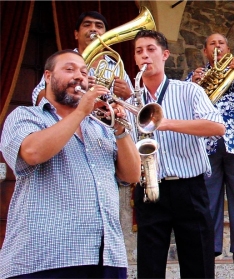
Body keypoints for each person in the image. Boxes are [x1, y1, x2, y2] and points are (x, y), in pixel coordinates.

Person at [0, 49, 141, 278]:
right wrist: (82, 111)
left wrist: (120, 129)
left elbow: (132, 175)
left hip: (107, 257)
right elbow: (32, 152)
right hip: (46, 259)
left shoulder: (101, 127)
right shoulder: (28, 116)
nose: (79, 76)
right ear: (47, 76)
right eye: (69, 69)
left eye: (84, 72)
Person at [129, 30, 225, 278]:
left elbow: (217, 127)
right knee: (149, 267)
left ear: (165, 55)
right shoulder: (130, 99)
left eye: (151, 49)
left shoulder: (189, 91)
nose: (145, 56)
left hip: (189, 188)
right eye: (139, 52)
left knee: (199, 266)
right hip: (149, 188)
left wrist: (164, 123)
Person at [185, 33, 234, 265]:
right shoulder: (195, 76)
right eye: (212, 44)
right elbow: (185, 106)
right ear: (205, 51)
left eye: (221, 43)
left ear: (228, 48)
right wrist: (192, 85)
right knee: (209, 199)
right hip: (207, 144)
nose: (217, 47)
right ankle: (211, 247)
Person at [32, 11, 133, 106]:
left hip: (107, 124)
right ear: (76, 34)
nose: (93, 29)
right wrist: (77, 88)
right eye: (87, 25)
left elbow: (137, 111)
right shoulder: (63, 61)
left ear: (106, 35)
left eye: (99, 26)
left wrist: (128, 95)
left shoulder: (117, 67)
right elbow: (39, 98)